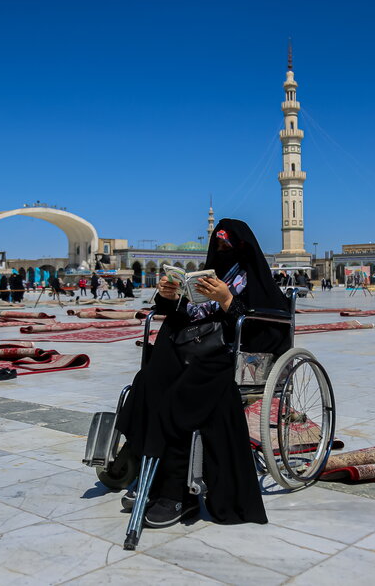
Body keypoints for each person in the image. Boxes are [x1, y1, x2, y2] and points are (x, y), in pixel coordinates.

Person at [116, 219, 283, 529]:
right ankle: (147, 469)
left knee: (180, 398)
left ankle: (176, 492)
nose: (221, 252)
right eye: (217, 247)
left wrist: (228, 300)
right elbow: (182, 318)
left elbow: (265, 329)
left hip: (226, 357)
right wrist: (168, 297)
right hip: (189, 351)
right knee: (148, 383)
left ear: (242, 249)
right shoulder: (208, 276)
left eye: (227, 247)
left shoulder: (254, 280)